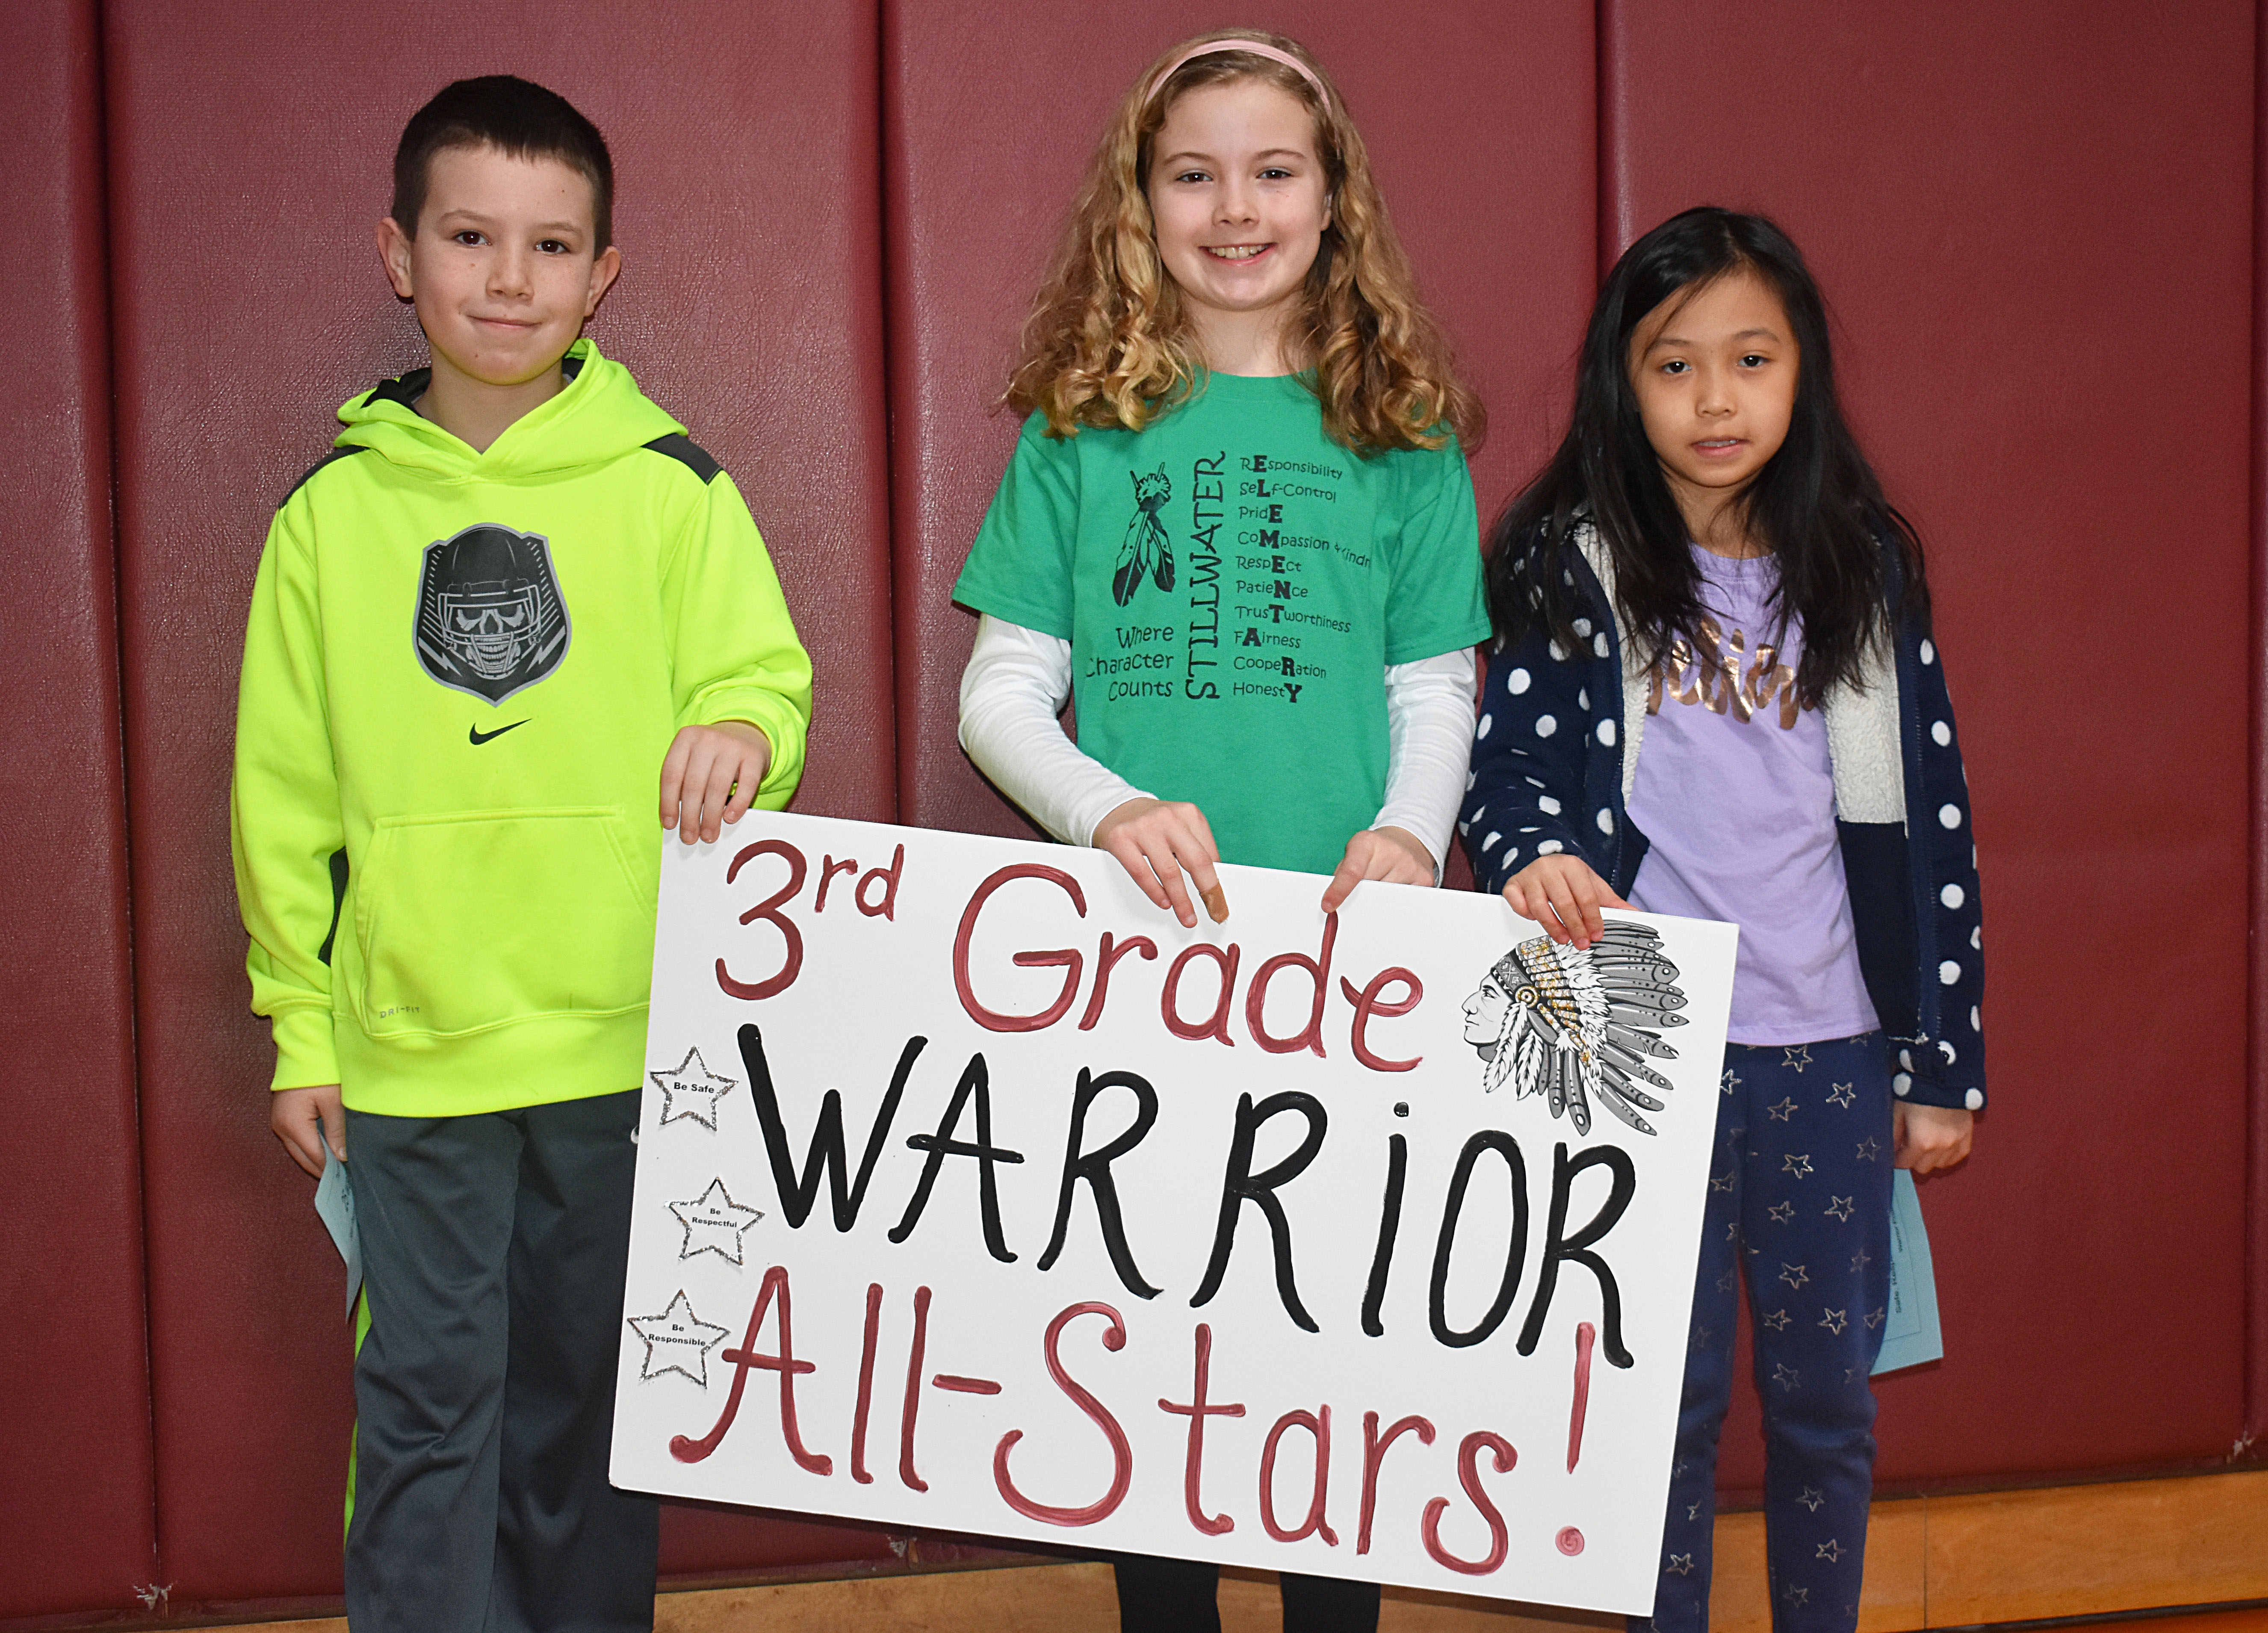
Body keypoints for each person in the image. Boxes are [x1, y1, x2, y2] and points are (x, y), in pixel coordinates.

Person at [230, 75, 812, 1633]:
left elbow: (765, 678)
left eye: (551, 246)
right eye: (471, 235)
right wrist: (303, 1025)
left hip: (626, 1039)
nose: (509, 278)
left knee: (588, 1413)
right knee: (426, 1410)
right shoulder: (330, 519)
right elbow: (282, 800)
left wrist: (745, 736)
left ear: (601, 275)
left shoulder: (672, 487)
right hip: (414, 1050)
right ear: (397, 254)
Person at [953, 29, 1488, 1632]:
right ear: (1143, 201)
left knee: (1331, 1355)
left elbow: (1436, 691)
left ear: (1334, 203)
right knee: (1154, 1353)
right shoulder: (1078, 426)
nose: (1234, 207)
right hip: (1140, 979)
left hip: (1342, 981)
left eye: (1274, 171)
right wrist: (1104, 807)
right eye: (1194, 173)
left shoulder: (1401, 429)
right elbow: (1000, 699)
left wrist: (1407, 836)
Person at [1461, 206, 1983, 1633]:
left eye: (1750, 359)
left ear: (1801, 372)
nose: (1714, 398)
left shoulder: (1864, 566)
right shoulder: (1578, 562)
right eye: (1674, 365)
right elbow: (1500, 780)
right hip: (1648, 1057)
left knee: (1825, 1406)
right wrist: (1533, 859)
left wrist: (1939, 1065)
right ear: (1621, 389)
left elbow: (1931, 822)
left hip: (1829, 1049)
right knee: (1661, 1412)